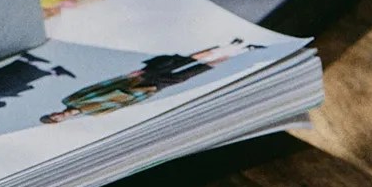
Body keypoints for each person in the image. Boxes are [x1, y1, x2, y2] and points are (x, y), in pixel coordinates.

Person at [39, 42, 252, 124]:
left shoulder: (70, 100)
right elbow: (123, 104)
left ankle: (230, 47)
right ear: (59, 122)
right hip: (142, 89)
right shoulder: (94, 113)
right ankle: (237, 53)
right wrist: (147, 93)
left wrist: (130, 75)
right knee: (187, 74)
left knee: (180, 61)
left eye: (53, 115)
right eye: (55, 119)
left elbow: (99, 86)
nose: (57, 116)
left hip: (135, 79)